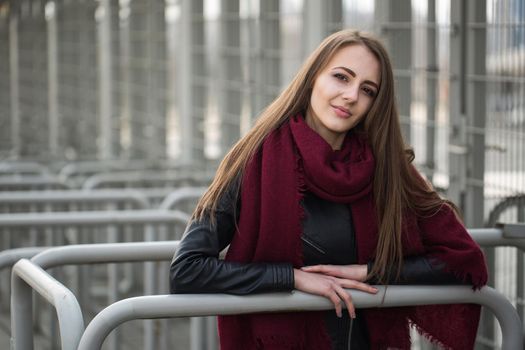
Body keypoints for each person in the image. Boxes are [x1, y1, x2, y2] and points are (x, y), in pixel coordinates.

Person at [170, 29, 488, 350]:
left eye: (367, 90)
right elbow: (187, 269)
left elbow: (463, 259)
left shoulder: (388, 168)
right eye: (341, 77)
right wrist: (292, 278)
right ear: (312, 78)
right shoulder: (254, 160)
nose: (351, 96)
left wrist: (371, 272)